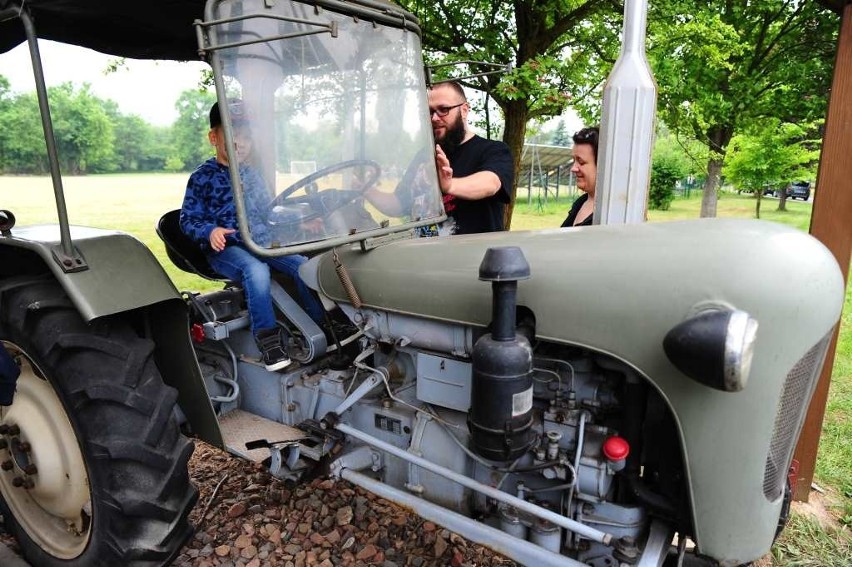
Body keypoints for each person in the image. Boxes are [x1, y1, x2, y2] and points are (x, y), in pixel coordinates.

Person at [180, 100, 324, 371]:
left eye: (246, 136)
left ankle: (318, 321)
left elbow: (268, 212)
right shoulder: (202, 177)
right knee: (256, 272)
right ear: (214, 137)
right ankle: (268, 341)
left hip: (260, 241)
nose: (241, 142)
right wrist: (210, 230)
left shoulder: (252, 175)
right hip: (227, 249)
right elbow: (188, 219)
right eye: (233, 134)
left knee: (303, 265)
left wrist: (300, 222)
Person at [429, 81, 514, 234]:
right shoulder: (425, 156)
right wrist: (371, 187)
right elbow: (398, 203)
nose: (435, 118)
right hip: (423, 255)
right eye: (430, 111)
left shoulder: (493, 150)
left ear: (464, 110)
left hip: (476, 256)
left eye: (443, 109)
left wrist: (449, 186)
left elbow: (490, 183)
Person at [561, 126, 599, 228]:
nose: (573, 168)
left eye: (581, 162)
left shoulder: (611, 215)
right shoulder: (580, 203)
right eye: (574, 160)